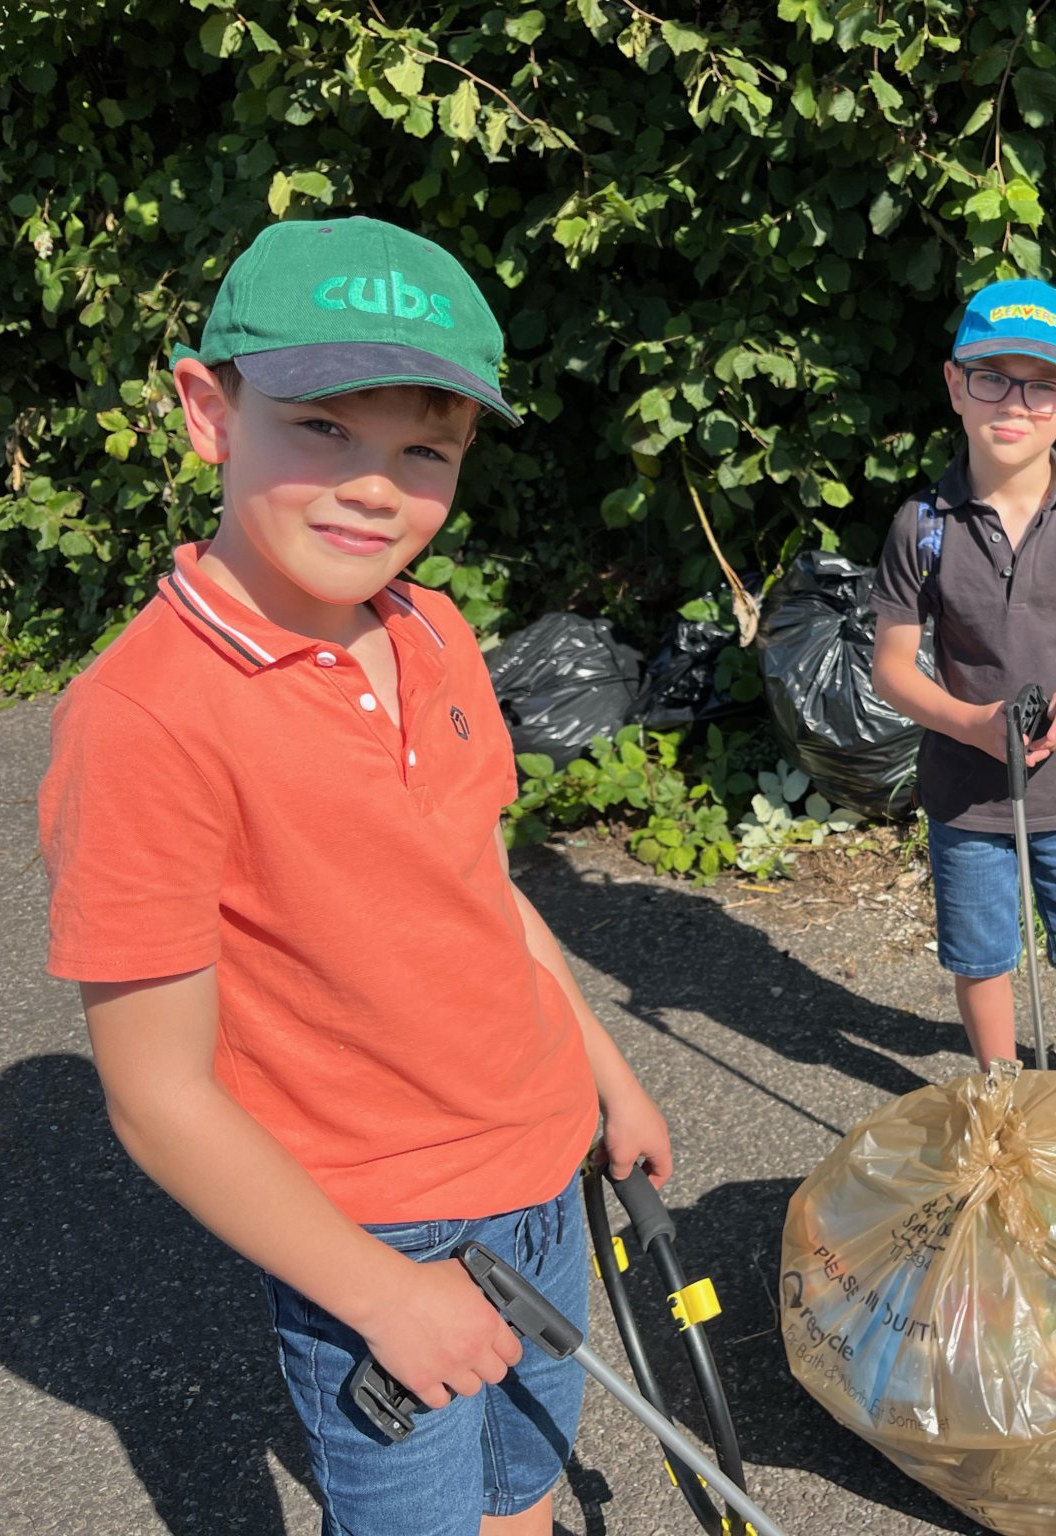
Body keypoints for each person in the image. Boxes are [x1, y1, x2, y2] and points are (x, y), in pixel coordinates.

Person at [36, 216, 670, 1536]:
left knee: (522, 1486)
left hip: (546, 1176)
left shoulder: (430, 630)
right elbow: (157, 1095)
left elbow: (482, 893)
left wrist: (602, 1071)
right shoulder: (145, 717)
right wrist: (384, 1296)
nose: (375, 487)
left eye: (422, 450)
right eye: (325, 426)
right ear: (210, 409)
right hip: (380, 1237)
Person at [869, 278, 1056, 1100]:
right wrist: (966, 721)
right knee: (981, 951)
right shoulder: (920, 526)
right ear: (955, 384)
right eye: (992, 376)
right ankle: (999, 1082)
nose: (1016, 403)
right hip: (967, 793)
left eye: (1042, 386)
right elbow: (891, 666)